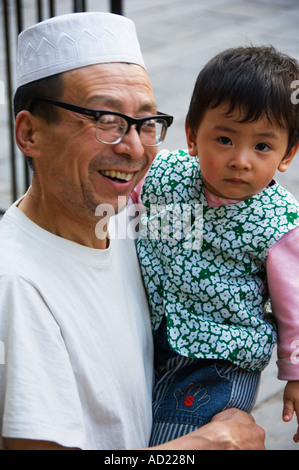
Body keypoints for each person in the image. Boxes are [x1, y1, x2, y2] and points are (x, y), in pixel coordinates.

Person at [0, 13, 265, 450]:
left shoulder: (131, 217)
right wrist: (208, 445)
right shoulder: (17, 286)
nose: (135, 148)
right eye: (105, 120)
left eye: (145, 122)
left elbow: (233, 240)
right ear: (30, 133)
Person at [137, 45, 299, 446]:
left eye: (262, 146)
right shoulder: (163, 177)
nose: (240, 160)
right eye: (224, 139)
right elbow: (121, 204)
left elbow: (295, 307)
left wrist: (296, 373)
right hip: (158, 339)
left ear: (287, 154)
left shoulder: (279, 223)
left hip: (220, 364)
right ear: (192, 135)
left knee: (174, 441)